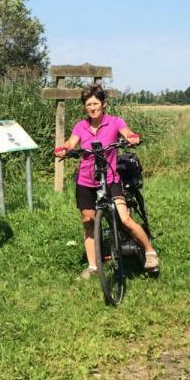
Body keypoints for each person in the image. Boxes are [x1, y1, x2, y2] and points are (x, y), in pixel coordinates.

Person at [55, 85, 159, 278]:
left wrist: (131, 137)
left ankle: (149, 252)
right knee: (88, 222)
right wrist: (65, 148)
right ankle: (93, 267)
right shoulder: (81, 126)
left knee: (124, 219)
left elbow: (126, 132)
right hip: (86, 181)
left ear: (103, 104)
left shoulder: (115, 122)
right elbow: (71, 142)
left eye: (95, 103)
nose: (92, 108)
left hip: (110, 178)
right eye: (88, 104)